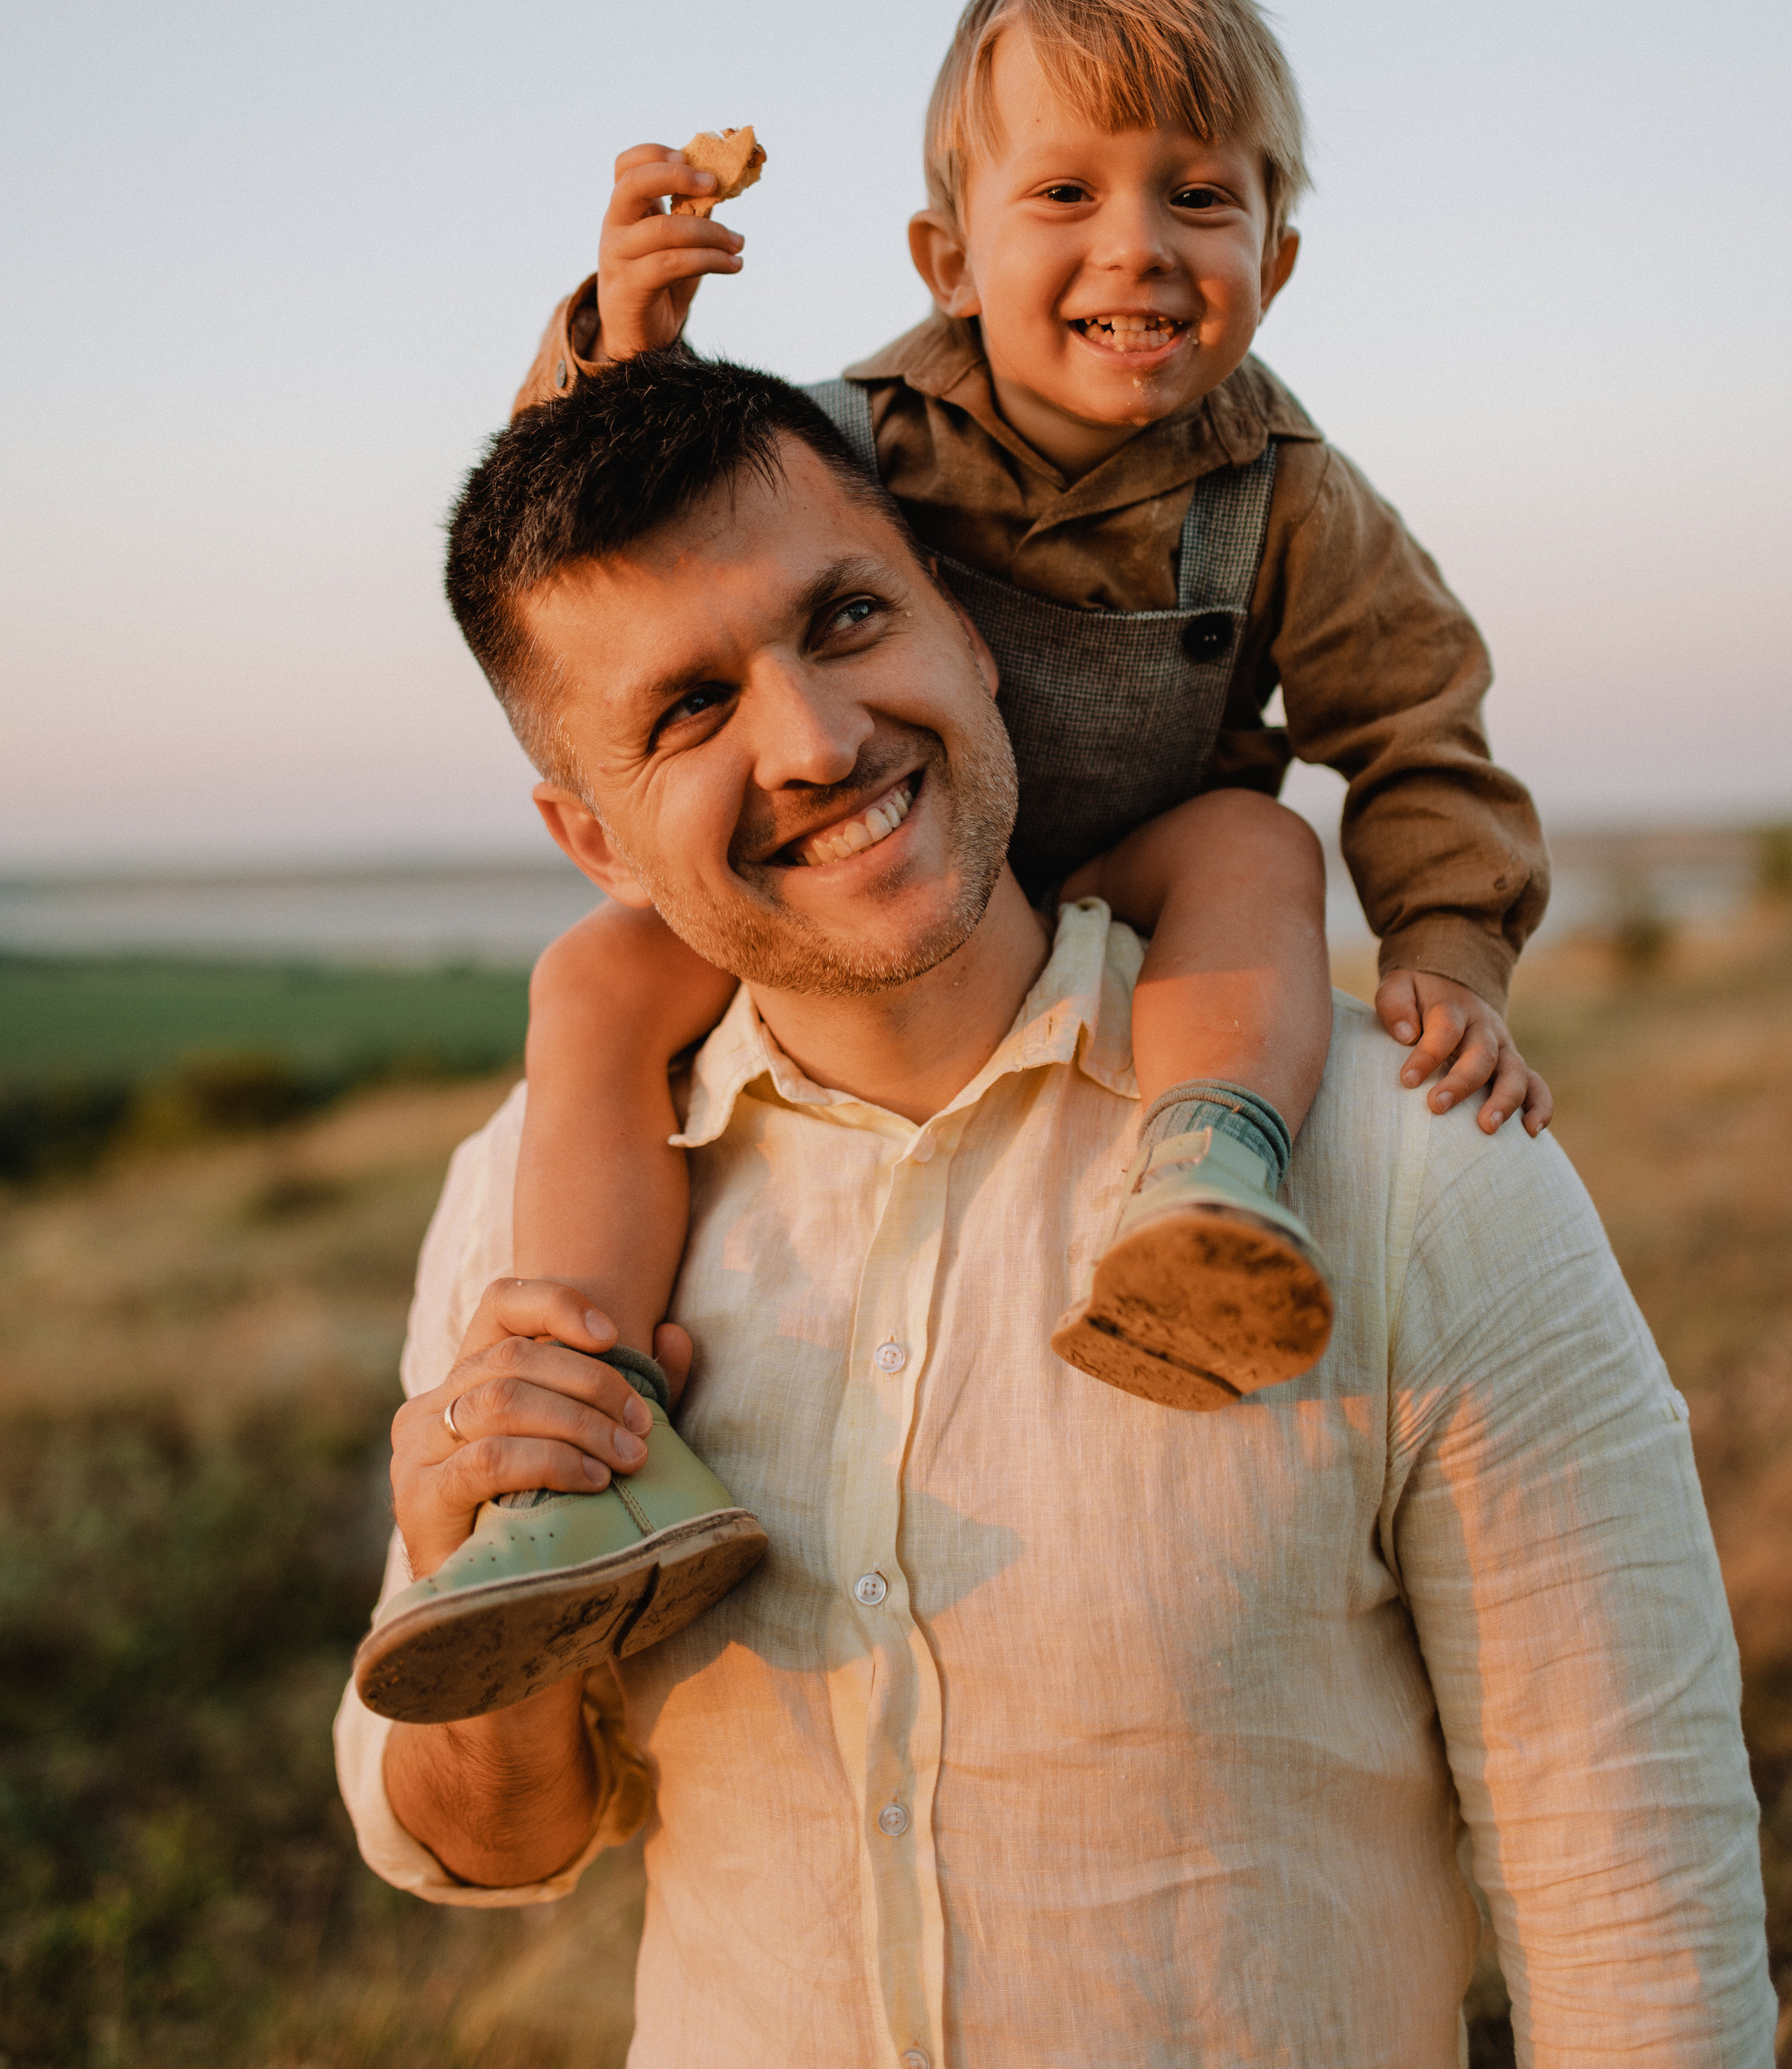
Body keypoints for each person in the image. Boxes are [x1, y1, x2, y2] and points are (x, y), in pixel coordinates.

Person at [335, 352, 1772, 2063]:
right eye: (688, 710)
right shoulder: (526, 1203)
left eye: (847, 619)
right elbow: (486, 1846)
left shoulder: (1416, 1165)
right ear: (592, 837)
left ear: (956, 616)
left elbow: (1643, 1951)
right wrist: (467, 1567)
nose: (813, 738)